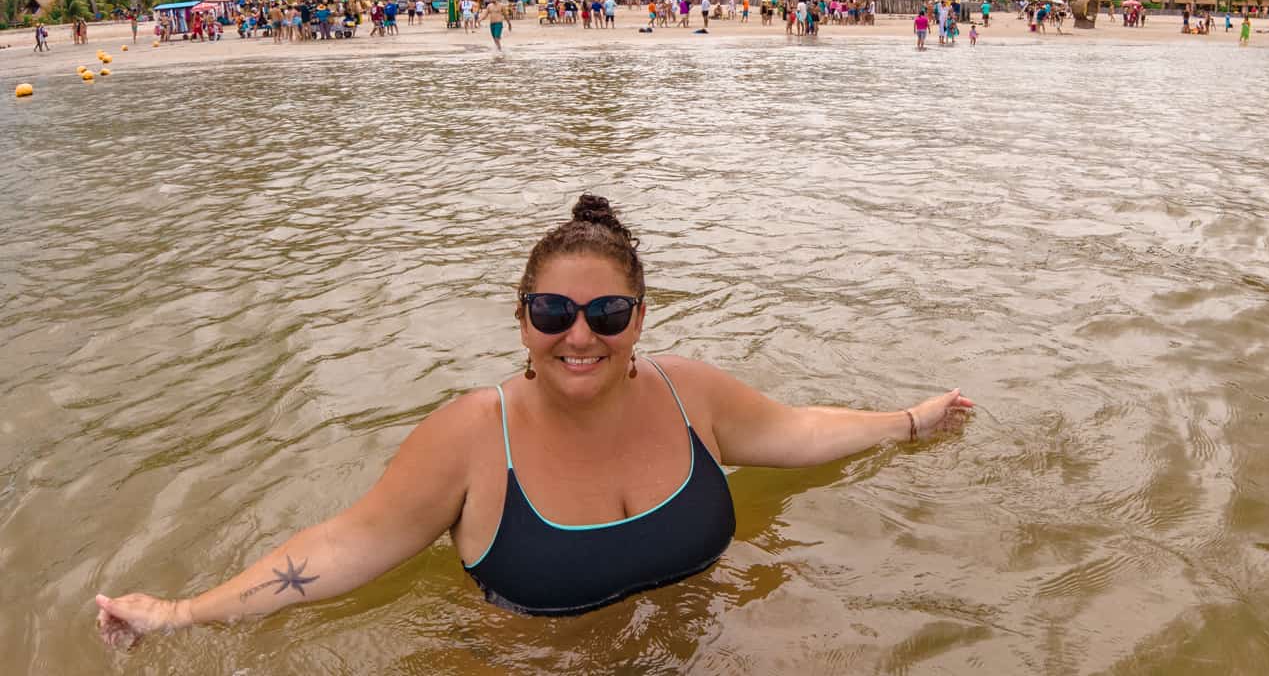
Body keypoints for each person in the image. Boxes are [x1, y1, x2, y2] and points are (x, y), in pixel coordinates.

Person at [94, 196, 971, 643]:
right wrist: (180, 615)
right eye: (552, 313)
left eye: (607, 315)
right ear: (521, 319)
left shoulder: (691, 394)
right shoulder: (474, 435)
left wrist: (909, 422)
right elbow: (342, 547)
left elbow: (801, 433)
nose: (579, 336)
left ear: (640, 318)